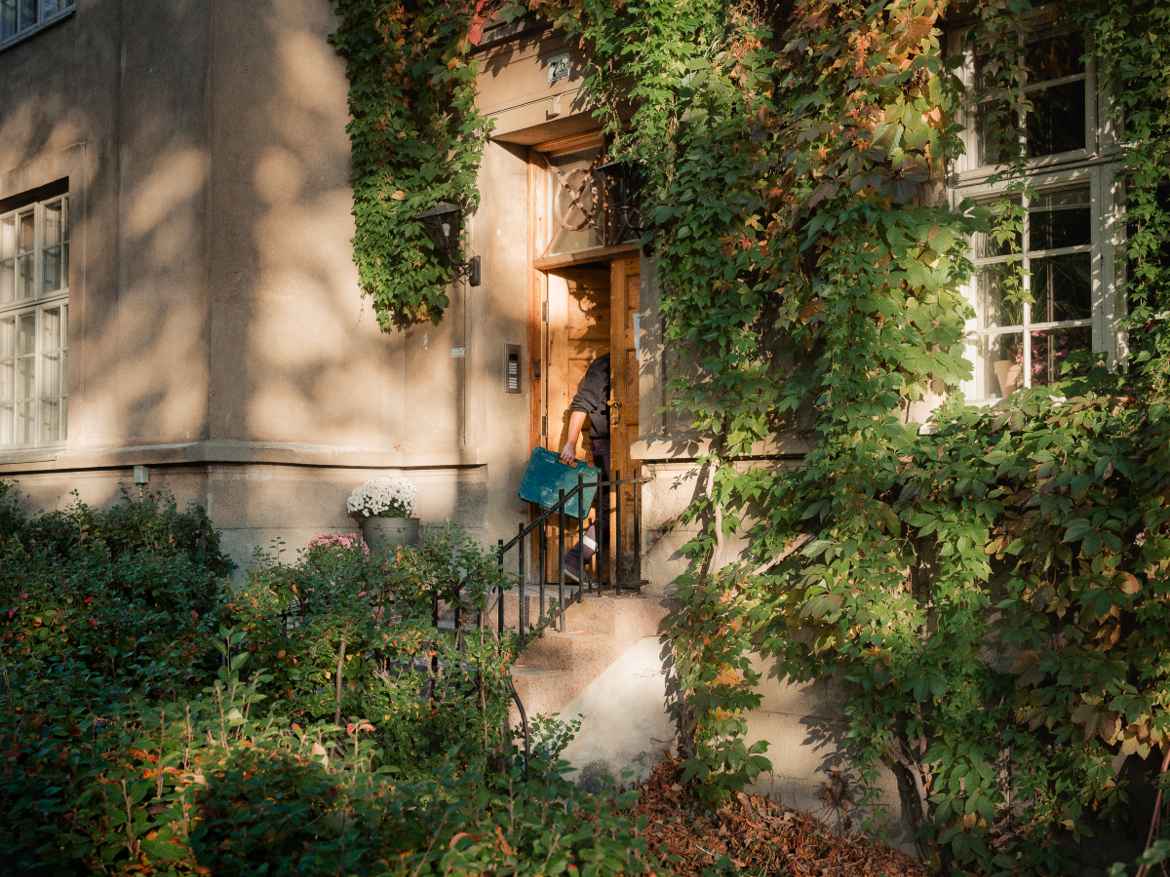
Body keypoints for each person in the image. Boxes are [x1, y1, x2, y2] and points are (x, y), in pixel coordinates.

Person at [559, 353, 610, 582]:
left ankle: (577, 558)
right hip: (608, 446)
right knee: (614, 510)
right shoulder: (605, 364)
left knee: (615, 510)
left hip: (621, 446)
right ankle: (576, 558)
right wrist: (570, 444)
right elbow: (581, 405)